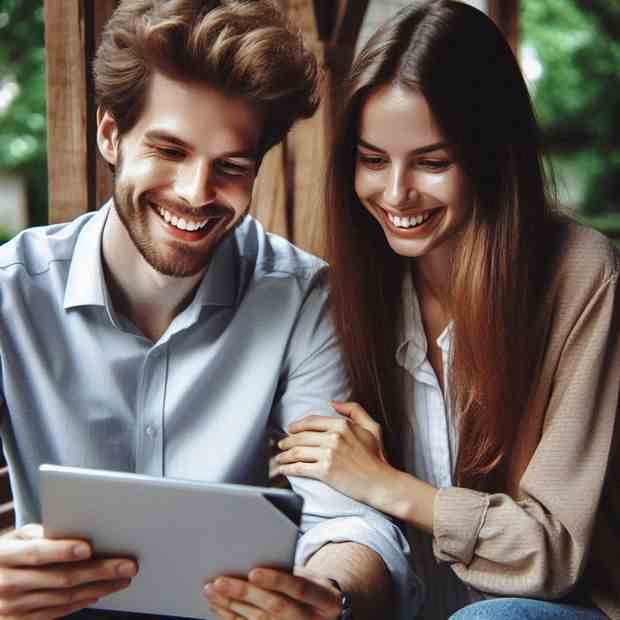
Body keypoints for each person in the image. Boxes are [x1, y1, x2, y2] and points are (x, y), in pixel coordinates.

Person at [0, 1, 418, 619]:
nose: (196, 194)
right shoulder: (10, 296)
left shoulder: (300, 299)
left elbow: (350, 521)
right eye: (169, 150)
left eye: (231, 167)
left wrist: (328, 597)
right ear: (110, 134)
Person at [273, 1, 620, 619]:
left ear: (492, 157)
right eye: (373, 159)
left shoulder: (582, 276)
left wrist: (387, 484)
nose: (396, 193)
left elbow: (554, 550)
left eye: (432, 163)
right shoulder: (346, 290)